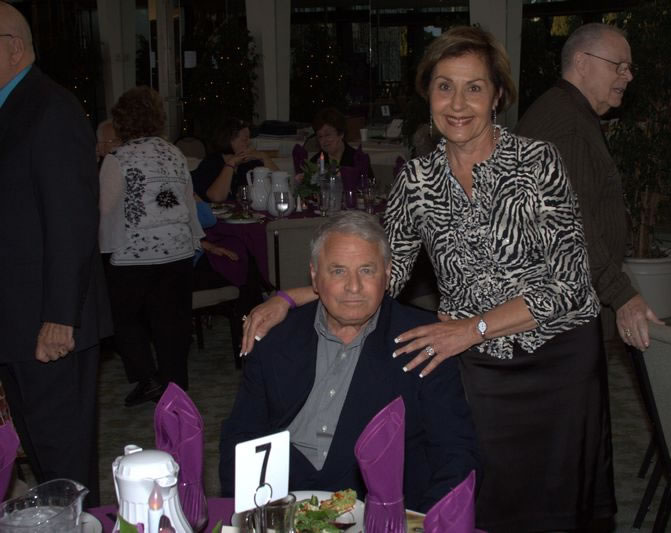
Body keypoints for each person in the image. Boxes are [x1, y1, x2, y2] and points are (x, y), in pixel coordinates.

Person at [242, 26, 613, 531]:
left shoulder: (538, 161)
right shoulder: (417, 180)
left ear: (497, 96)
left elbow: (570, 284)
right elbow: (382, 275)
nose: (458, 103)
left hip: (558, 359)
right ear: (428, 95)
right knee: (487, 500)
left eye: (474, 87)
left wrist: (471, 328)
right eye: (444, 86)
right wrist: (290, 297)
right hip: (480, 367)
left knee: (558, 506)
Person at [219, 211, 480, 511]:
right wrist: (252, 515)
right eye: (338, 271)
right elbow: (241, 437)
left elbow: (456, 454)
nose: (353, 287)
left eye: (367, 270)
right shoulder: (276, 337)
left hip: (379, 511)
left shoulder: (425, 341)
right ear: (315, 276)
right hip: (282, 503)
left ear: (387, 273)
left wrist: (427, 523)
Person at [0, 1, 112, 506]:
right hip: (18, 322)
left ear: (14, 48)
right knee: (44, 462)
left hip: (48, 325)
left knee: (63, 463)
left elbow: (71, 222)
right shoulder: (14, 109)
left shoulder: (50, 109)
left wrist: (60, 318)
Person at [515, 23, 661, 352]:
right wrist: (620, 294)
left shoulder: (565, 110)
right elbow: (572, 228)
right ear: (581, 62)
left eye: (629, 67)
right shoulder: (567, 126)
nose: (628, 76)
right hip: (560, 310)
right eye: (618, 66)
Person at [99, 86, 204, 406]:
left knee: (123, 319)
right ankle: (175, 388)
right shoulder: (173, 153)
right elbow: (186, 201)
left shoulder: (118, 158)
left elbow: (105, 207)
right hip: (177, 251)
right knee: (173, 324)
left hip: (135, 255)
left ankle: (147, 378)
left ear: (122, 121)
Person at [191, 117, 278, 202]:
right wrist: (231, 163)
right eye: (245, 139)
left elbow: (280, 185)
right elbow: (217, 198)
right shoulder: (211, 163)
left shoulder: (249, 163)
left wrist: (264, 157)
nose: (249, 142)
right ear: (229, 140)